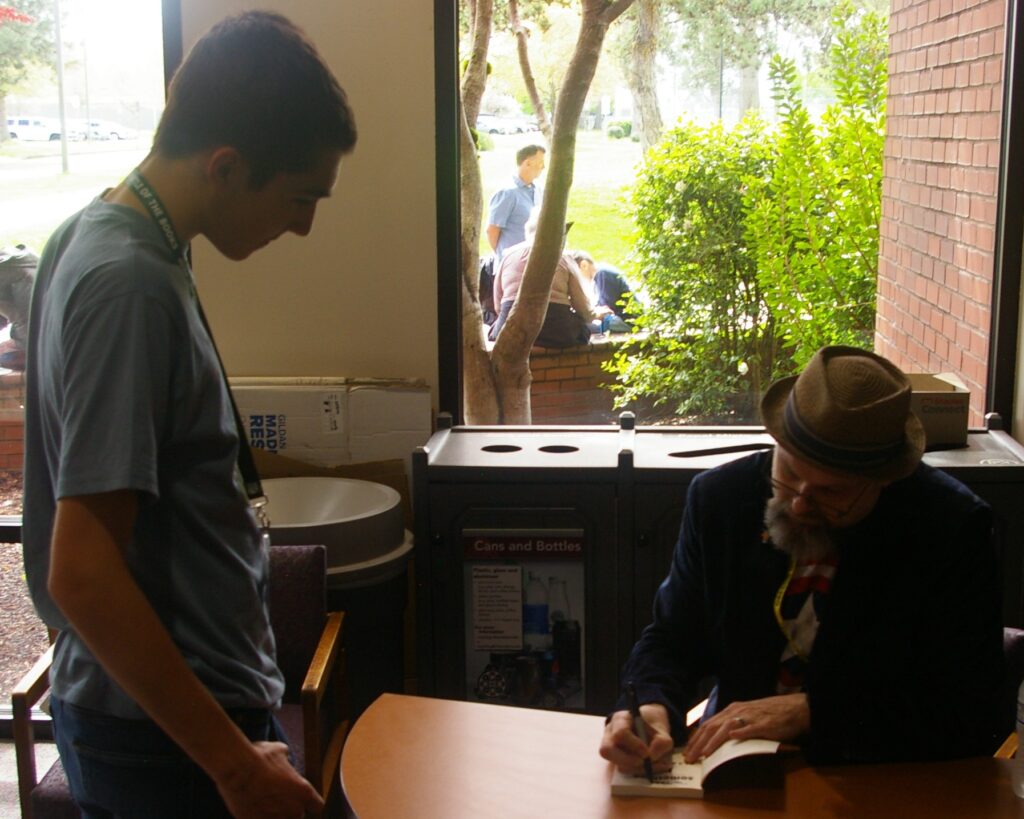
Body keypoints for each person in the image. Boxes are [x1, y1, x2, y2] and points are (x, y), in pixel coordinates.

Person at [22, 12, 356, 817]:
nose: (305, 225)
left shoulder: (101, 238)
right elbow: (83, 570)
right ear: (227, 165)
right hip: (159, 740)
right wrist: (233, 765)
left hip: (175, 722)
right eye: (300, 195)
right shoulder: (127, 282)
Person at [600, 346, 1004, 775]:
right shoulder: (720, 500)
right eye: (789, 473)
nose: (797, 505)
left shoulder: (951, 529)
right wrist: (648, 702)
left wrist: (813, 711)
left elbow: (969, 712)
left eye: (830, 492)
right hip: (736, 771)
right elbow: (673, 638)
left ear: (885, 481)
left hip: (877, 776)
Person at [488, 208, 595, 348]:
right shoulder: (564, 258)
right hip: (555, 330)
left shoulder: (508, 256)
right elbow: (583, 308)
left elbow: (498, 305)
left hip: (511, 329)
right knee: (583, 331)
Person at [486, 144, 546, 263]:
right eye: (541, 162)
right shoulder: (507, 193)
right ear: (527, 163)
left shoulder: (539, 190)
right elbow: (492, 230)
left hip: (534, 263)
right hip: (512, 265)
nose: (543, 167)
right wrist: (504, 257)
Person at [569, 250, 634, 329]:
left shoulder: (603, 274)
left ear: (584, 265)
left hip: (628, 321)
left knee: (581, 328)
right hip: (619, 319)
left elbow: (605, 308)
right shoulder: (599, 276)